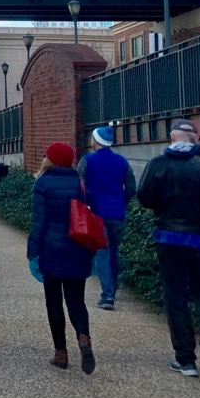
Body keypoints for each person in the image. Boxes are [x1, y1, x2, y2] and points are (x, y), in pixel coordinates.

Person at [137, 118, 200, 378]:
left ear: (171, 139)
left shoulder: (158, 165)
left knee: (175, 295)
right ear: (196, 138)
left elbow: (144, 197)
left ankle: (185, 359)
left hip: (169, 238)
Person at [27, 141, 96, 374]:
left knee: (54, 302)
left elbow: (37, 224)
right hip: (79, 249)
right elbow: (92, 215)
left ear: (51, 160)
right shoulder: (82, 183)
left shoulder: (43, 183)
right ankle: (84, 338)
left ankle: (61, 353)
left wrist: (32, 253)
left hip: (51, 251)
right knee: (76, 300)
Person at [77, 125, 137, 310]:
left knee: (102, 252)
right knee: (114, 251)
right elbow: (131, 188)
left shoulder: (86, 161)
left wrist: (87, 203)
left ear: (94, 141)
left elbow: (79, 186)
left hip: (97, 212)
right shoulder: (122, 161)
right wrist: (122, 201)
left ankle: (108, 295)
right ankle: (114, 286)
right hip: (118, 212)